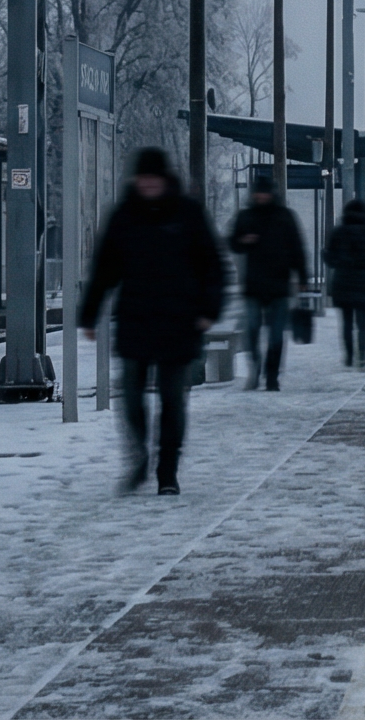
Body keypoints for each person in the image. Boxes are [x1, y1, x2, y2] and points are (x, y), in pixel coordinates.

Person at [77, 147, 226, 497]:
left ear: (163, 178)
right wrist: (89, 313)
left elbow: (213, 267)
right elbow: (104, 269)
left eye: (153, 178)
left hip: (180, 322)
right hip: (136, 322)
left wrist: (209, 309)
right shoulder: (124, 216)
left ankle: (167, 471)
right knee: (130, 399)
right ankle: (139, 456)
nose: (147, 184)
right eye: (143, 178)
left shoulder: (188, 214)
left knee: (173, 400)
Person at [227, 173, 308, 391]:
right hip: (254, 285)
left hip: (279, 285)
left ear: (271, 194)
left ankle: (272, 376)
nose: (261, 197)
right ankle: (255, 367)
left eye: (264, 193)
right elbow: (232, 243)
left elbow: (297, 248)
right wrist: (243, 240)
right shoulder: (246, 217)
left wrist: (302, 277)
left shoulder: (285, 217)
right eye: (258, 193)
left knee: (276, 333)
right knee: (252, 330)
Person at [324, 199, 365, 368]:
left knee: (346, 322)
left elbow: (329, 257)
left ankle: (349, 356)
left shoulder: (338, 232)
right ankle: (363, 356)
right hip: (364, 279)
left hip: (343, 280)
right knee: (363, 323)